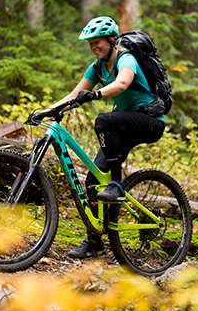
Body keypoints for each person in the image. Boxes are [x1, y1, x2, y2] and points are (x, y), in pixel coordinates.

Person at [42, 16, 166, 259]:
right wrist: (44, 112)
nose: (94, 47)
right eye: (90, 44)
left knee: (104, 120)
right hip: (123, 125)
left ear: (111, 40)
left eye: (97, 42)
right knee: (92, 181)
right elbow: (74, 95)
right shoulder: (97, 67)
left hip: (149, 121)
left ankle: (117, 183)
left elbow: (122, 83)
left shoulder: (126, 58)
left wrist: (96, 94)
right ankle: (96, 242)